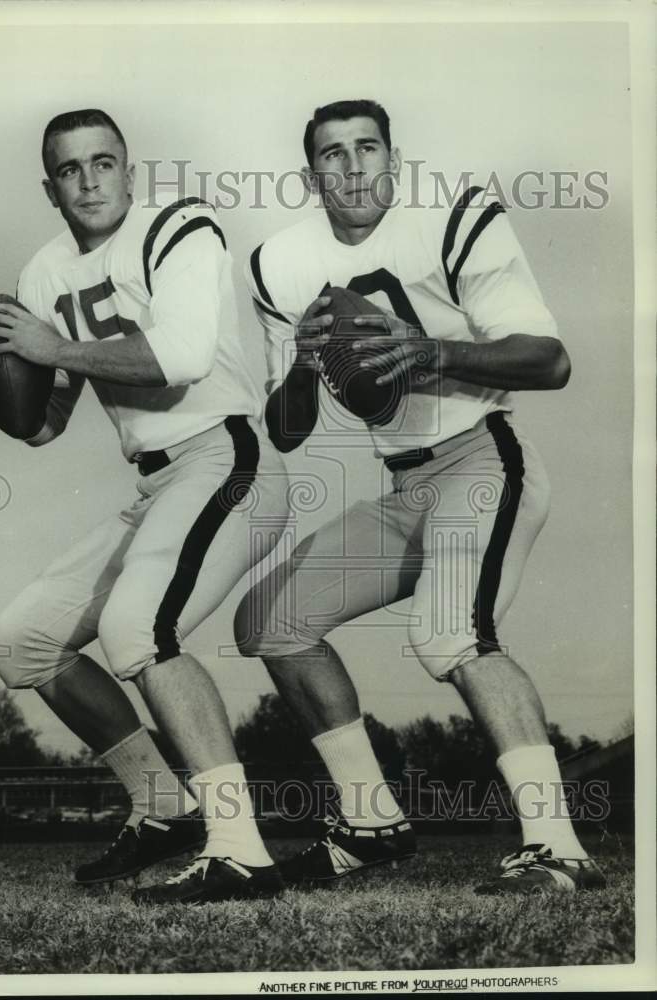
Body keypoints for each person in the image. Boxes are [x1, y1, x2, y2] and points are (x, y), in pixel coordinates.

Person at [235, 98, 605, 895]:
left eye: (368, 148)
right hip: (405, 485)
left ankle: (557, 845)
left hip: (483, 456)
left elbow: (550, 361)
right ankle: (370, 821)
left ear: (394, 161)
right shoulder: (280, 265)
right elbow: (288, 430)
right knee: (269, 621)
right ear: (311, 176)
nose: (353, 166)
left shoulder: (452, 217)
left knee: (449, 633)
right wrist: (301, 365)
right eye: (333, 155)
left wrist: (437, 351)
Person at [0, 109, 290, 904]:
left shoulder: (181, 225)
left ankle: (242, 848)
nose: (90, 180)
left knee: (139, 627)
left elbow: (177, 357)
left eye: (104, 162)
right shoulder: (44, 272)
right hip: (156, 483)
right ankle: (161, 804)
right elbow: (45, 427)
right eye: (70, 170)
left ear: (130, 171)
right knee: (22, 641)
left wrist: (46, 348)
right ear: (51, 188)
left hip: (226, 456)